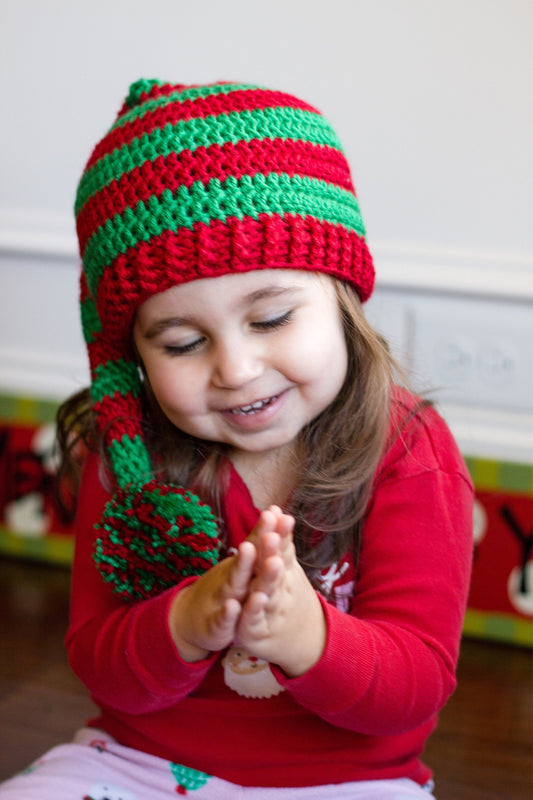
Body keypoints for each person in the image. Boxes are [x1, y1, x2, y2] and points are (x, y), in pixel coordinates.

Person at [0, 79, 473, 800]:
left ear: (340, 296)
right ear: (132, 354)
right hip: (138, 764)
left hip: (346, 780)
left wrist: (302, 633)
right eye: (184, 342)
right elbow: (103, 667)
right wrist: (186, 621)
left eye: (272, 318)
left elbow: (413, 686)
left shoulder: (406, 448)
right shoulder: (128, 458)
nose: (236, 369)